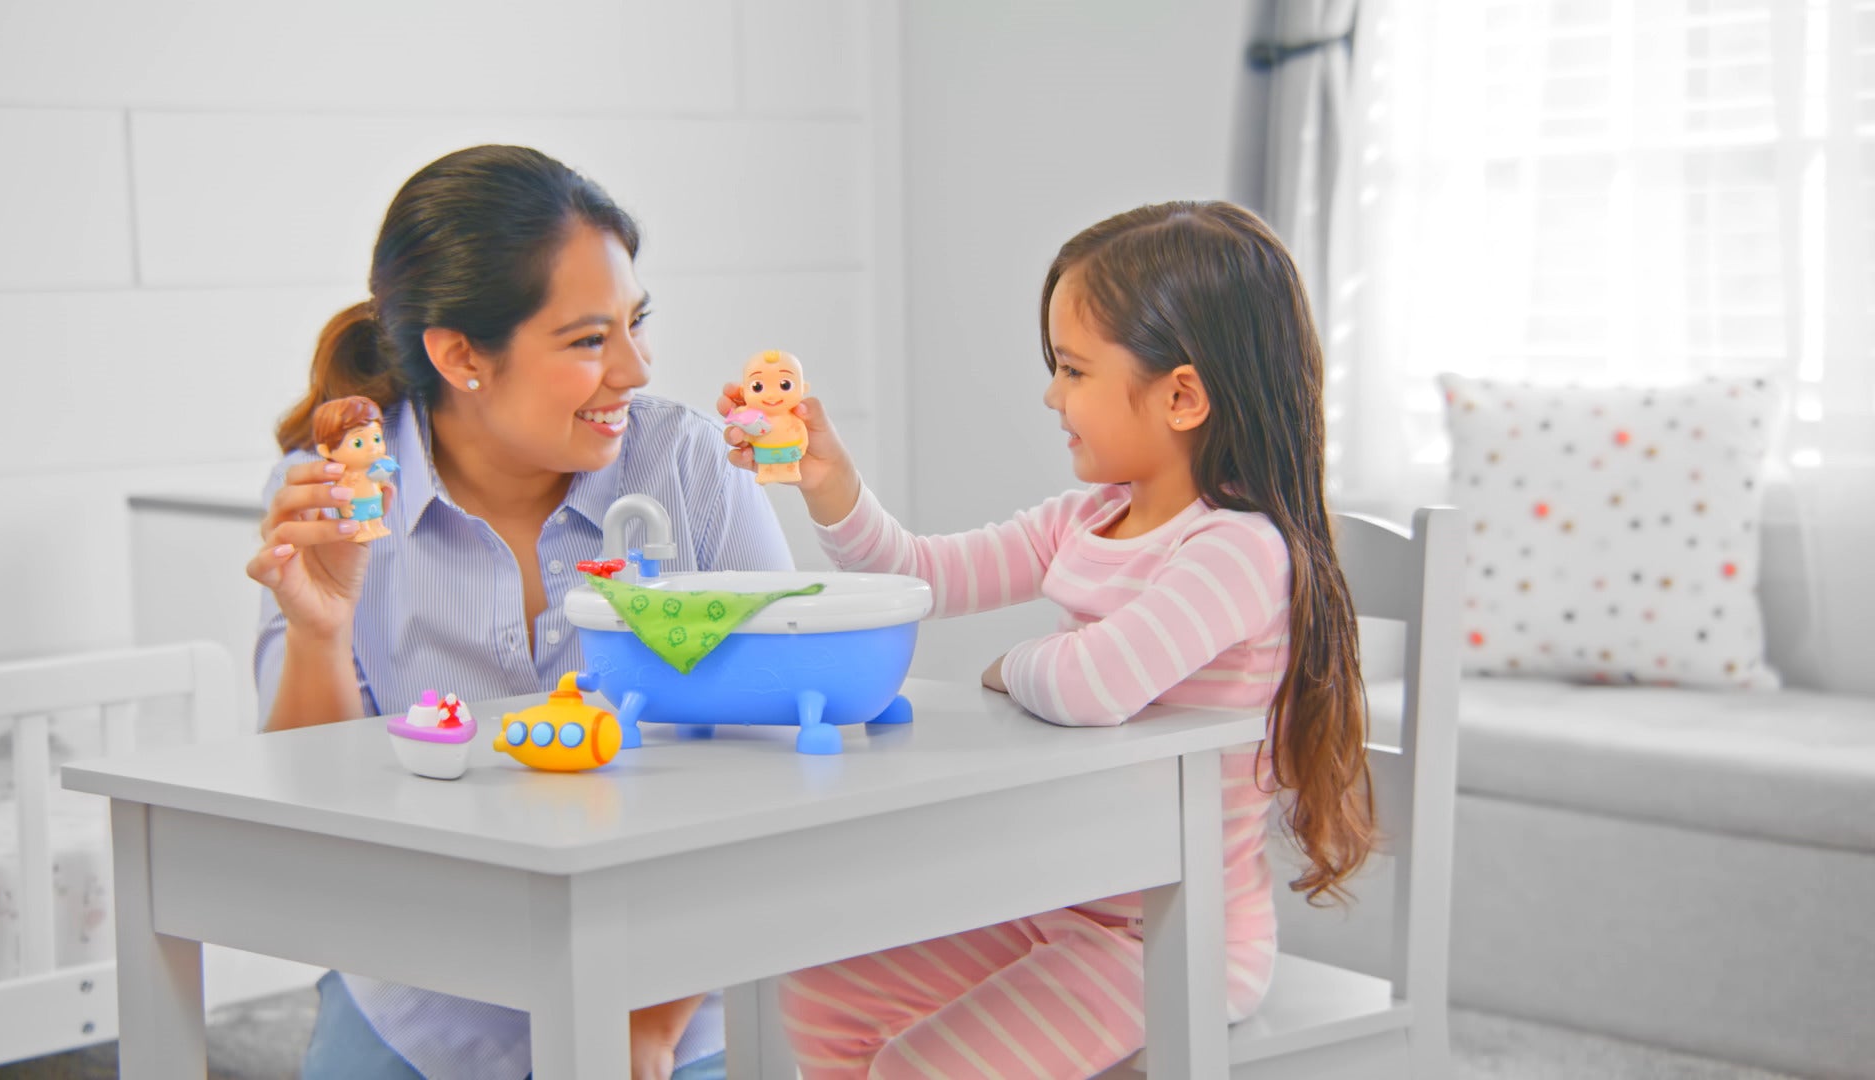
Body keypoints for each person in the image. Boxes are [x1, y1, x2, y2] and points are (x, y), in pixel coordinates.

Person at [722, 201, 1376, 1079]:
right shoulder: (1088, 518)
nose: (1051, 395)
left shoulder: (1237, 550)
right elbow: (917, 573)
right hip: (1058, 903)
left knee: (921, 1068)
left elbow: (1091, 687)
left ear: (1182, 396)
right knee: (820, 992)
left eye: (1073, 369)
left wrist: (1008, 667)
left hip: (1175, 935)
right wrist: (829, 483)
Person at [247, 144, 791, 1080]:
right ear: (462, 356)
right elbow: (311, 825)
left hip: (679, 969)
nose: (635, 368)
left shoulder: (691, 466)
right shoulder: (337, 498)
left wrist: (649, 1024)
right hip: (425, 990)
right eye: (588, 341)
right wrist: (320, 630)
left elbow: (779, 767)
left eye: (636, 322)